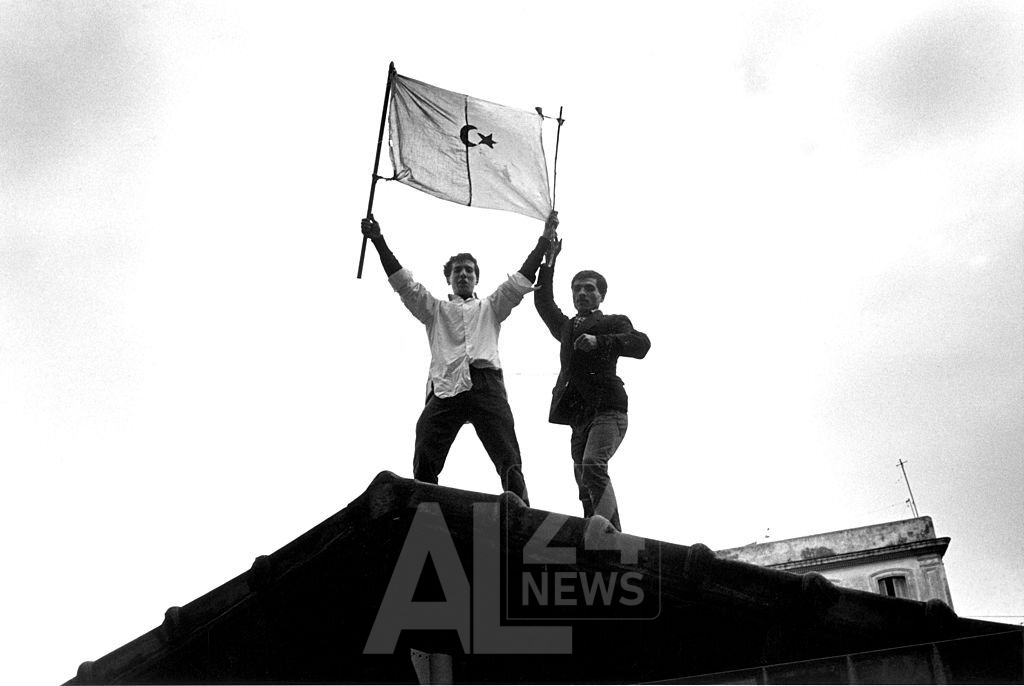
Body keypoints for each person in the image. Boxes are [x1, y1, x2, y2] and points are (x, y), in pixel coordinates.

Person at [360, 213, 552, 505]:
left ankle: (522, 510)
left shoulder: (491, 306)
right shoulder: (434, 310)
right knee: (425, 448)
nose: (463, 275)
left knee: (508, 454)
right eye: (458, 271)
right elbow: (404, 283)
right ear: (449, 278)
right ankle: (424, 510)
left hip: (486, 385)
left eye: (469, 271)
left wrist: (544, 240)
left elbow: (520, 280)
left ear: (476, 278)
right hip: (446, 388)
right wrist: (378, 240)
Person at [533, 216, 650, 530]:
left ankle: (612, 533)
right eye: (577, 289)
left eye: (589, 289)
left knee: (593, 465)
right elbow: (543, 302)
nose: (582, 293)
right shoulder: (567, 328)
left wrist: (601, 342)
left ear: (601, 295)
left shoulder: (612, 322)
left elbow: (641, 344)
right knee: (584, 480)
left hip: (608, 410)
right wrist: (549, 261)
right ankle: (592, 532)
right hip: (579, 416)